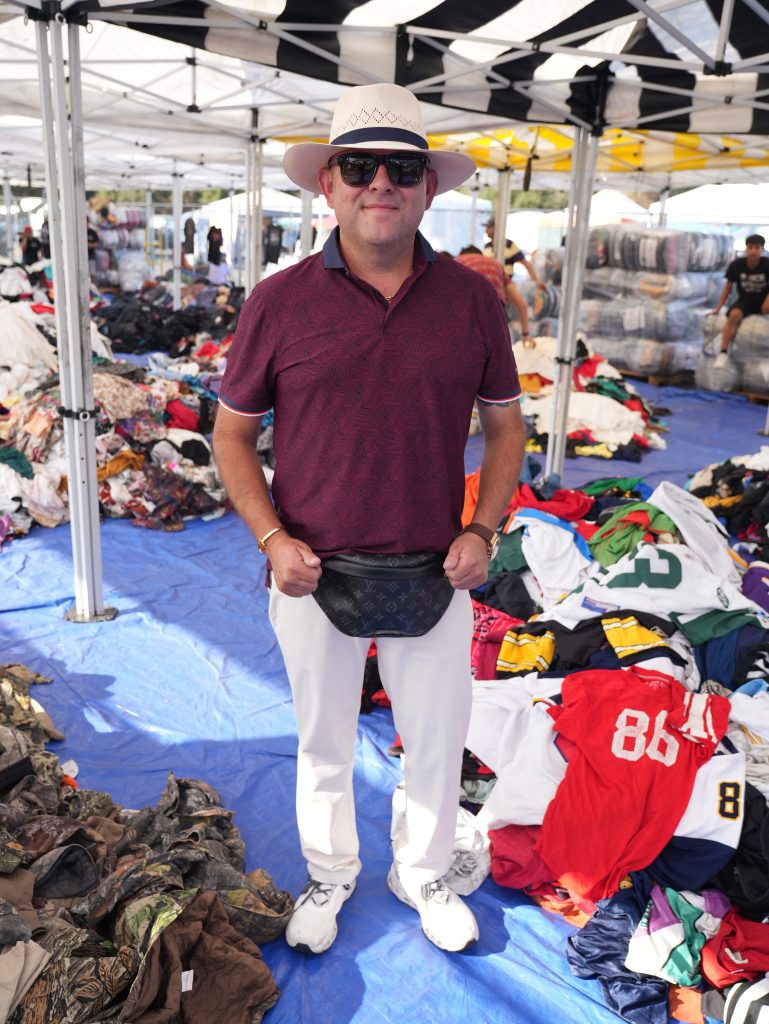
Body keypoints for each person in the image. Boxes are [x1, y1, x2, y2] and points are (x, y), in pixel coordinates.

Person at [212, 82, 525, 956]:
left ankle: (421, 871)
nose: (379, 182)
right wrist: (273, 541)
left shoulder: (470, 301)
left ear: (428, 188)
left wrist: (484, 530)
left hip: (437, 567)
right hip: (311, 572)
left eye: (400, 168)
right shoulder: (276, 302)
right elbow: (231, 436)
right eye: (359, 166)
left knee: (437, 739)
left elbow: (505, 426)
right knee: (321, 740)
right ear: (329, 186)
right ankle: (331, 871)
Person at [709, 234, 769, 368]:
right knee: (733, 315)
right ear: (746, 249)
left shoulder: (767, 264)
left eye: (757, 247)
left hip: (764, 298)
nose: (753, 250)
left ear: (762, 250)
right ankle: (723, 352)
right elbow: (727, 288)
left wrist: (767, 303)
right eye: (750, 247)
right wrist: (718, 308)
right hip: (746, 299)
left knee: (766, 308)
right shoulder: (737, 265)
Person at [455, 244, 533, 345]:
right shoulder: (496, 265)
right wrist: (525, 334)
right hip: (495, 315)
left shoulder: (457, 262)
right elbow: (521, 304)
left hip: (469, 316)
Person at [484, 217, 541, 287]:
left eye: (488, 227)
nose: (485, 230)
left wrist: (536, 280)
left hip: (505, 285)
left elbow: (525, 263)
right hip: (490, 283)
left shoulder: (509, 244)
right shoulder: (487, 246)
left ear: (495, 228)